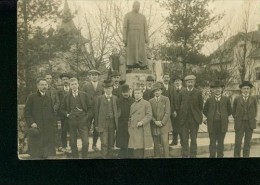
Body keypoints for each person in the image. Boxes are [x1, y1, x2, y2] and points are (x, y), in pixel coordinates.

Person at [60, 78, 93, 158]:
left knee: (86, 142)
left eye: (75, 84)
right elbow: (61, 109)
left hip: (83, 121)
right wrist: (67, 115)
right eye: (72, 84)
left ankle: (84, 157)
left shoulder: (84, 95)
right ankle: (75, 158)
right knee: (73, 143)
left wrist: (87, 116)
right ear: (70, 86)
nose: (74, 86)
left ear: (78, 85)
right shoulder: (66, 97)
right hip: (71, 122)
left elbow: (90, 108)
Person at [24, 78, 56, 159]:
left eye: (45, 85)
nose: (44, 86)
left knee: (47, 154)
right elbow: (27, 112)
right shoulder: (32, 97)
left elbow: (52, 112)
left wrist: (53, 124)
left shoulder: (49, 98)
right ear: (38, 86)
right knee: (36, 155)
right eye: (42, 85)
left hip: (47, 129)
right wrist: (31, 122)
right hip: (37, 127)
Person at [203, 81, 232, 158]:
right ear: (213, 90)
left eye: (219, 88)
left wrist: (224, 116)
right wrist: (210, 116)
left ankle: (220, 157)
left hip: (222, 124)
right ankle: (212, 157)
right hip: (212, 124)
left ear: (222, 89)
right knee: (212, 142)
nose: (217, 90)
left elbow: (229, 111)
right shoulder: (209, 100)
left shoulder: (226, 99)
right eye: (215, 88)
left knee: (220, 142)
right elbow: (205, 110)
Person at [178, 75, 203, 158]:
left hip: (194, 119)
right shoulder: (182, 92)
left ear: (194, 82)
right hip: (184, 120)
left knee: (193, 139)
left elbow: (200, 106)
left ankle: (193, 155)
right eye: (188, 82)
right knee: (184, 139)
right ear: (185, 83)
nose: (190, 83)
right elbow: (179, 105)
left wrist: (197, 116)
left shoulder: (198, 92)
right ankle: (185, 155)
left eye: (192, 81)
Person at [94, 80, 119, 159]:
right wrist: (96, 124)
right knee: (104, 142)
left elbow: (119, 110)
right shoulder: (99, 99)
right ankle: (104, 157)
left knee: (111, 142)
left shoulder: (115, 98)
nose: (108, 90)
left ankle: (110, 156)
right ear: (104, 89)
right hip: (103, 123)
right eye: (106, 88)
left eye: (110, 88)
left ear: (112, 89)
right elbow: (96, 112)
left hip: (112, 123)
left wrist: (115, 116)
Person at [232, 81, 258, 157]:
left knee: (247, 142)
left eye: (247, 88)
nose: (246, 90)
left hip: (250, 123)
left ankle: (246, 157)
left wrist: (252, 118)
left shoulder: (253, 98)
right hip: (240, 123)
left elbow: (255, 110)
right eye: (244, 88)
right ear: (241, 90)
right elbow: (233, 111)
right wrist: (237, 118)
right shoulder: (237, 98)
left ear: (249, 90)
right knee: (238, 142)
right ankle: (237, 157)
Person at [82, 69, 104, 152]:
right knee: (86, 126)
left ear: (98, 76)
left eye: (96, 75)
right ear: (90, 76)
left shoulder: (102, 85)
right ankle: (85, 144)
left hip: (98, 109)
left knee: (96, 127)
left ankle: (94, 145)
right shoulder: (85, 86)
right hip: (89, 109)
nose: (94, 76)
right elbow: (82, 97)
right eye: (92, 75)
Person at [123, 1, 149, 69]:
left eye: (139, 6)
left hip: (140, 36)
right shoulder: (127, 15)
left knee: (141, 50)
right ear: (133, 6)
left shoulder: (142, 17)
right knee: (132, 50)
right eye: (136, 6)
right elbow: (125, 27)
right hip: (131, 36)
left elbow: (146, 28)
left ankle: (142, 64)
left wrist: (146, 37)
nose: (138, 7)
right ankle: (131, 64)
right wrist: (124, 37)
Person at [128, 87, 153, 158]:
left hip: (142, 129)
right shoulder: (132, 105)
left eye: (138, 93)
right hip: (133, 129)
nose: (136, 95)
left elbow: (149, 115)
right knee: (134, 150)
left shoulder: (146, 103)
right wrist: (129, 127)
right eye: (135, 93)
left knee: (140, 150)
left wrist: (141, 122)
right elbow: (130, 117)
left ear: (142, 94)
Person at [149, 82, 172, 158]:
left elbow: (167, 112)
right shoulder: (150, 101)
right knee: (156, 144)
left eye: (158, 90)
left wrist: (162, 122)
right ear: (153, 92)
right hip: (155, 125)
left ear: (161, 91)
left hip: (164, 125)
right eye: (155, 91)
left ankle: (166, 156)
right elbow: (150, 114)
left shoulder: (166, 99)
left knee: (165, 143)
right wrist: (155, 121)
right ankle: (157, 156)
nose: (157, 92)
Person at [116, 84, 135, 158]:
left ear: (129, 91)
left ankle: (130, 155)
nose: (126, 93)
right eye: (124, 92)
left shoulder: (133, 100)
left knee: (130, 140)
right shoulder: (118, 100)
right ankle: (122, 154)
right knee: (122, 141)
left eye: (127, 91)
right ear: (121, 93)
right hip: (121, 124)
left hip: (130, 123)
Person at [45, 73, 60, 150]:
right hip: (45, 114)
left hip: (53, 113)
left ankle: (57, 145)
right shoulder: (41, 90)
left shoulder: (54, 90)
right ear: (45, 79)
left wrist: (54, 109)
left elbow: (57, 101)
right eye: (47, 78)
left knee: (55, 129)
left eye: (50, 78)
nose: (49, 80)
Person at [57, 73, 72, 153]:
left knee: (73, 131)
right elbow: (58, 103)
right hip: (63, 115)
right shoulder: (59, 91)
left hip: (73, 114)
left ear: (69, 80)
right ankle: (64, 146)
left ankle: (72, 146)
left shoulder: (73, 89)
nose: (65, 81)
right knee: (64, 131)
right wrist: (64, 113)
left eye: (66, 79)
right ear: (61, 81)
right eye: (63, 80)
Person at [170, 75, 185, 146]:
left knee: (182, 127)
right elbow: (171, 101)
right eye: (176, 81)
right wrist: (173, 111)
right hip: (174, 112)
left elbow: (185, 102)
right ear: (174, 82)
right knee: (174, 127)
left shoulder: (184, 90)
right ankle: (174, 141)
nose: (177, 82)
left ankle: (182, 141)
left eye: (179, 81)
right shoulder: (172, 90)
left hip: (182, 112)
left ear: (181, 82)